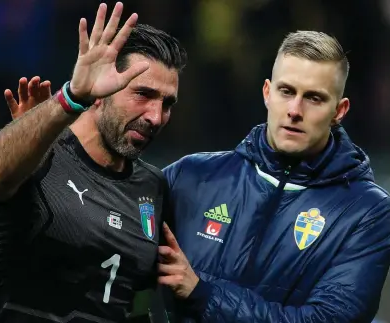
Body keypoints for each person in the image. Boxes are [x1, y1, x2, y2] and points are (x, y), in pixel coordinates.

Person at [156, 31, 390, 322]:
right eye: (286, 91)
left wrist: (203, 293)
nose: (294, 110)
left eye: (314, 98)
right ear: (267, 92)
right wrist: (82, 101)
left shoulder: (366, 212)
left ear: (338, 111)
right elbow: (99, 217)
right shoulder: (192, 176)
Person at [0, 2, 186, 322]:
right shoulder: (41, 158)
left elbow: (139, 302)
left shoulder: (153, 187)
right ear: (102, 90)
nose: (156, 117)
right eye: (143, 94)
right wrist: (70, 98)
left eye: (167, 103)